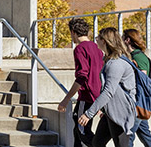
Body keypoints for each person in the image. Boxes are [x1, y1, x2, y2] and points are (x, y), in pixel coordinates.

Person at [78, 27, 137, 147]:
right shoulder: (110, 61)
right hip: (111, 112)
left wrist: (89, 114)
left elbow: (108, 92)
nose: (96, 40)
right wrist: (104, 108)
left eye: (98, 38)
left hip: (121, 112)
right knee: (97, 143)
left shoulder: (116, 63)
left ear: (104, 41)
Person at [57, 18, 104, 147]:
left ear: (73, 32)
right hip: (98, 94)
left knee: (82, 130)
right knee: (77, 129)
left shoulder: (80, 49)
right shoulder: (97, 48)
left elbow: (82, 76)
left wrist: (66, 99)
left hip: (87, 95)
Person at [123, 29, 151, 147]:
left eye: (123, 38)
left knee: (128, 136)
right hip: (139, 102)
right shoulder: (135, 56)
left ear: (128, 40)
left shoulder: (139, 57)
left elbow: (142, 81)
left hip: (138, 102)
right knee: (144, 134)